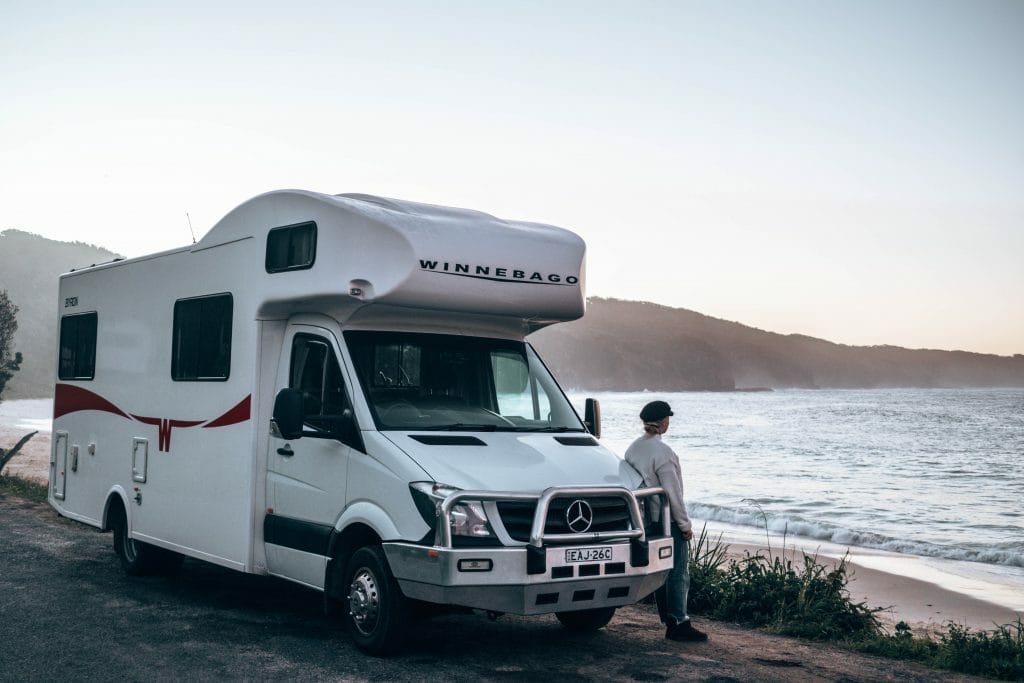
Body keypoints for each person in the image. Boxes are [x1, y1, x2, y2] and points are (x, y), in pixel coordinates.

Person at [624, 400, 708, 642]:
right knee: (679, 572)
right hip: (666, 519)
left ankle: (667, 618)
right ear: (663, 422)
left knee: (662, 571)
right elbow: (673, 493)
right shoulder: (664, 453)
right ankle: (679, 621)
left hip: (645, 519)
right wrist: (685, 525)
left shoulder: (633, 449)